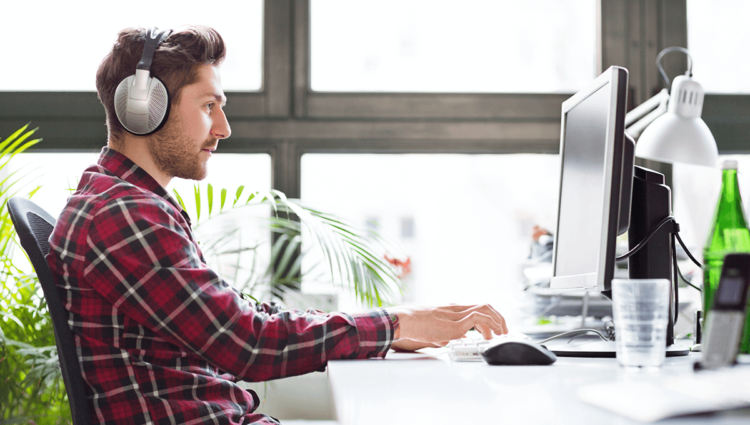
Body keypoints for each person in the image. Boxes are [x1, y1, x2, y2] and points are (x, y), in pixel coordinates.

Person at [47, 25, 508, 425]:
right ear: (145, 107)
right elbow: (246, 344)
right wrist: (392, 324)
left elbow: (244, 317)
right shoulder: (123, 216)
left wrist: (394, 326)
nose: (223, 128)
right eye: (209, 105)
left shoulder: (128, 202)